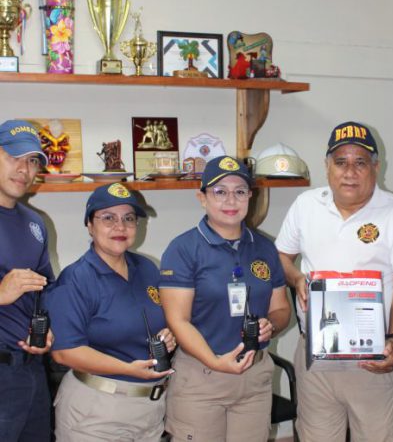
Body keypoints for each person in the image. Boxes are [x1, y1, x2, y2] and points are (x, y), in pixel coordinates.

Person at [276, 121, 393, 442]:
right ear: (327, 166)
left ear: (376, 167)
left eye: (360, 163)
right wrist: (297, 277)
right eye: (341, 162)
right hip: (316, 353)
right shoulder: (306, 205)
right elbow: (281, 257)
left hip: (372, 356)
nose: (350, 172)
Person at [159, 155, 291, 442]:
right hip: (202, 376)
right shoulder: (183, 249)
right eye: (220, 192)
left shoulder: (265, 248)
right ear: (202, 198)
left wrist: (271, 325)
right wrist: (215, 362)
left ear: (250, 196)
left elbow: (281, 308)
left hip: (254, 377)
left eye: (240, 191)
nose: (231, 200)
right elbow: (178, 321)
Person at [44, 183, 176, 442]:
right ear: (89, 225)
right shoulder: (76, 279)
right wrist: (128, 369)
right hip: (96, 413)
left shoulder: (147, 268)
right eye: (108, 218)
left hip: (150, 410)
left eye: (129, 218)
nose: (120, 227)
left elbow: (159, 320)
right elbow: (64, 352)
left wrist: (169, 336)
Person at [0, 119, 54, 442]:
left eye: (32, 161)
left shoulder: (35, 223)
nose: (24, 169)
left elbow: (46, 290)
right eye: (14, 157)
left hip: (31, 370)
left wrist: (48, 330)